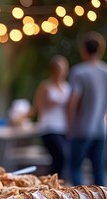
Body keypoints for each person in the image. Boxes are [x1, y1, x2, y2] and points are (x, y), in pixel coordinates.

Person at [68, 31, 107, 186]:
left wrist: (70, 126)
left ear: (84, 49)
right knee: (98, 171)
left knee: (75, 169)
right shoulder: (105, 71)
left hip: (81, 129)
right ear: (100, 49)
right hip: (101, 129)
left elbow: (73, 102)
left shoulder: (79, 72)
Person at [31, 55, 71, 179]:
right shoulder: (46, 86)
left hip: (63, 127)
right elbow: (36, 106)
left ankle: (56, 183)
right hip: (49, 127)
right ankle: (53, 182)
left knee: (62, 159)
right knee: (60, 156)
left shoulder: (67, 87)